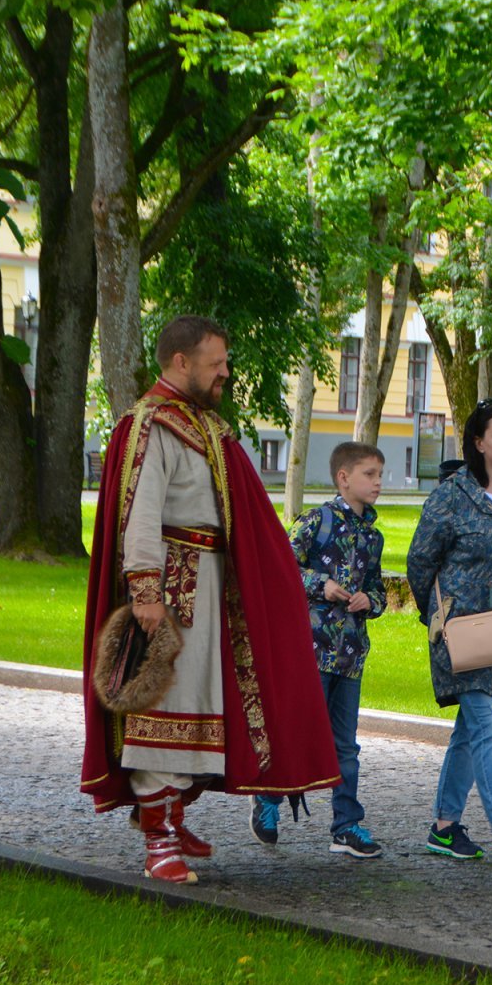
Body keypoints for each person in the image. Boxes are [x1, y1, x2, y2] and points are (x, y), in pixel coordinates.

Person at [82, 315, 339, 884]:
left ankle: (173, 811)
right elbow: (140, 511)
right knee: (163, 707)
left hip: (212, 584)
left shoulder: (202, 424)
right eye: (215, 361)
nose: (225, 371)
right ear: (180, 362)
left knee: (205, 707)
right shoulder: (151, 425)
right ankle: (158, 838)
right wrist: (146, 592)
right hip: (172, 589)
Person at [405, 397, 492, 865]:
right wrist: (441, 616)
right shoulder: (452, 495)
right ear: (479, 442)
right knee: (488, 725)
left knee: (470, 729)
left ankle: (444, 827)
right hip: (461, 633)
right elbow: (420, 561)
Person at [250, 442, 388, 857]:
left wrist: (371, 601)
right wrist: (320, 585)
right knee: (294, 733)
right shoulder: (316, 521)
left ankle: (346, 826)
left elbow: (379, 588)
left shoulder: (374, 536)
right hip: (309, 653)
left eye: (380, 474)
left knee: (345, 746)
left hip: (350, 658)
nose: (378, 482)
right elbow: (281, 566)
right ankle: (268, 799)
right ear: (343, 478)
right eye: (369, 474)